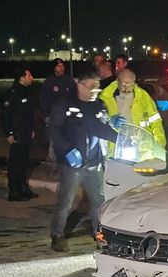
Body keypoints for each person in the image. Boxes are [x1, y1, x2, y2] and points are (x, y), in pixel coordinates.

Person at [49, 71, 118, 252]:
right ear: (79, 85)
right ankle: (57, 235)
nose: (95, 91)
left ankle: (99, 235)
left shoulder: (98, 106)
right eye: (91, 87)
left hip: (94, 163)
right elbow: (54, 131)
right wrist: (67, 151)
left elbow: (101, 128)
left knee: (99, 202)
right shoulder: (65, 104)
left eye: (97, 88)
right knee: (66, 201)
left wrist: (120, 138)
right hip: (73, 164)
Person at [99, 68, 166, 150]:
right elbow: (98, 122)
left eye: (130, 85)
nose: (126, 88)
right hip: (116, 148)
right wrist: (111, 121)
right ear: (117, 82)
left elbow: (156, 122)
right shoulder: (105, 98)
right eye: (123, 84)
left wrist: (160, 145)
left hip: (142, 148)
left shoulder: (143, 97)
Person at [1, 66, 38, 201]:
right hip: (16, 132)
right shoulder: (13, 93)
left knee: (24, 161)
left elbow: (29, 114)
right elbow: (6, 115)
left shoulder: (28, 91)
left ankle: (23, 187)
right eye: (28, 75)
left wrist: (32, 129)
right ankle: (14, 191)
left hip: (26, 132)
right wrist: (9, 133)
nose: (31, 78)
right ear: (22, 77)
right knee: (15, 162)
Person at [39, 58, 77, 161]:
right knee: (54, 139)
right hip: (54, 117)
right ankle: (52, 161)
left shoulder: (69, 81)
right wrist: (46, 115)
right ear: (54, 68)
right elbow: (43, 100)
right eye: (58, 66)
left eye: (62, 66)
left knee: (67, 137)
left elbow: (75, 97)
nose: (61, 68)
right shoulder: (49, 82)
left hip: (68, 117)